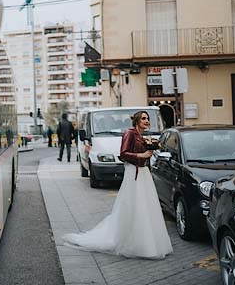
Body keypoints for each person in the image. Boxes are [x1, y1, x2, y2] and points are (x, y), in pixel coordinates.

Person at [60, 111, 171, 259]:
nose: (147, 121)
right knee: (134, 207)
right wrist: (141, 155)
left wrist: (151, 148)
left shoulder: (141, 135)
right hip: (134, 174)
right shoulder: (129, 133)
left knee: (147, 207)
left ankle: (151, 242)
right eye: (143, 118)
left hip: (144, 174)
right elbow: (123, 153)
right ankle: (135, 243)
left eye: (148, 118)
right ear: (137, 121)